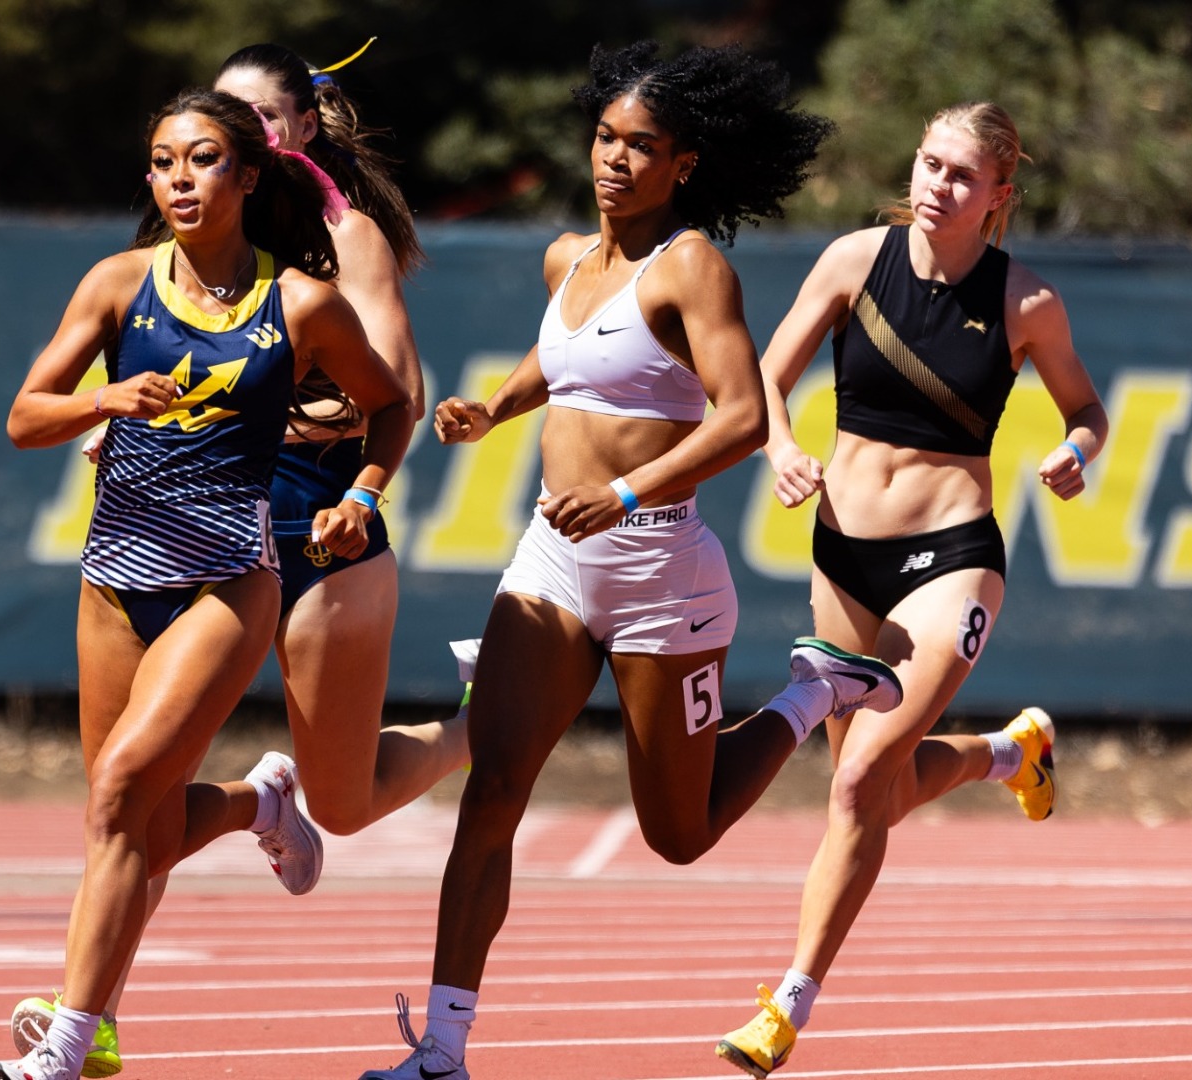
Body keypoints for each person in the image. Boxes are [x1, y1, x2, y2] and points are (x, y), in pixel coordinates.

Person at [357, 42, 904, 1080]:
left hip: (660, 570)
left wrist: (619, 495)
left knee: (679, 834)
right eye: (605, 138)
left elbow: (742, 419)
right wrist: (496, 408)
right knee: (494, 787)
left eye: (639, 146)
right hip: (554, 564)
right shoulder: (569, 258)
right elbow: (567, 360)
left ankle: (807, 695)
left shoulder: (693, 267)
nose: (614, 160)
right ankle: (443, 1048)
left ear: (682, 164)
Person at [5, 42, 472, 1078]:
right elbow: (55, 394)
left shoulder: (336, 260)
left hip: (302, 535)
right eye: (179, 147)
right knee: (125, 806)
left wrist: (313, 449)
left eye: (247, 127)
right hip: (136, 556)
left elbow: (387, 388)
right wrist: (116, 414)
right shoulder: (146, 264)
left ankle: (477, 728)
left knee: (336, 799)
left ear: (292, 140)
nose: (197, 162)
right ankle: (103, 1012)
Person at [714, 101, 1108, 1078]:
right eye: (929, 165)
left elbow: (1088, 407)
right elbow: (766, 374)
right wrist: (781, 447)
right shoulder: (856, 261)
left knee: (855, 784)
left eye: (962, 175)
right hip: (843, 555)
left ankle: (788, 1004)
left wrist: (1074, 450)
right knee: (872, 793)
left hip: (953, 554)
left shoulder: (1028, 303)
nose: (938, 185)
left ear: (999, 198)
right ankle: (1008, 753)